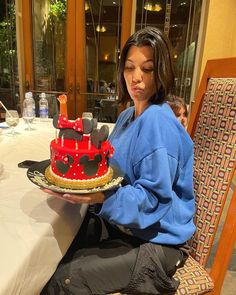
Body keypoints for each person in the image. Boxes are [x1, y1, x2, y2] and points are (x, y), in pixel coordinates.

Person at [40, 26, 195, 295]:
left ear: (162, 72)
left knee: (66, 279)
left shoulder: (159, 122)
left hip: (158, 240)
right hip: (125, 226)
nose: (136, 78)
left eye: (147, 69)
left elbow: (152, 200)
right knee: (54, 247)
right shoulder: (127, 117)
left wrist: (103, 198)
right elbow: (109, 170)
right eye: (129, 67)